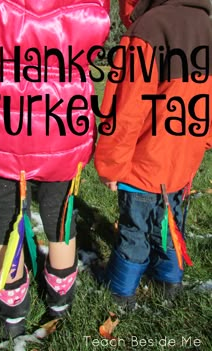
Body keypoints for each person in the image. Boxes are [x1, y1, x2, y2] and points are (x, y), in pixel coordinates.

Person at [0, 0, 110, 340]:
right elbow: (96, 34)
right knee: (59, 215)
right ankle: (60, 302)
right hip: (63, 119)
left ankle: (11, 314)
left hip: (1, 120)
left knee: (6, 215)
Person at [95, 0, 212, 309]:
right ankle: (169, 283)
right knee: (170, 221)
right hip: (184, 158)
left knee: (135, 230)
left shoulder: (150, 29)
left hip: (143, 162)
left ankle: (120, 292)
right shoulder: (206, 25)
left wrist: (111, 165)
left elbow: (127, 110)